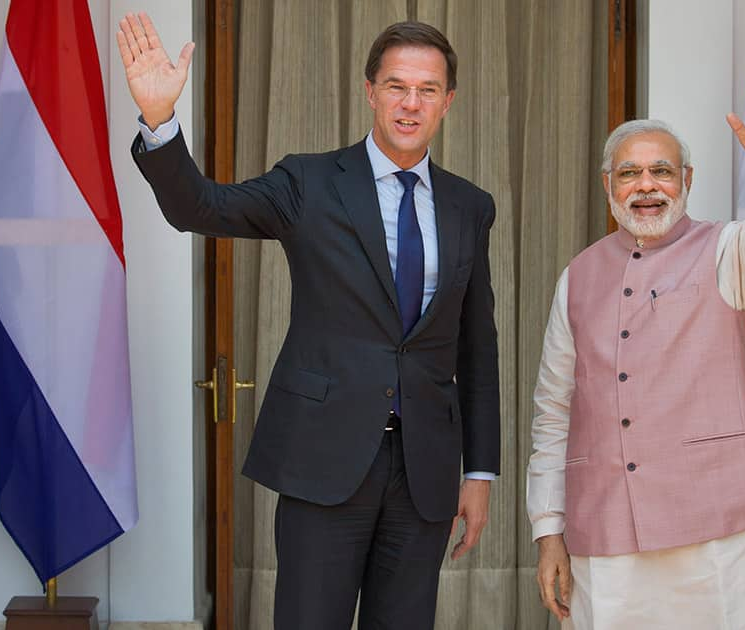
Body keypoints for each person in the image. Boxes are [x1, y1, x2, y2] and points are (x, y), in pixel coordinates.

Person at [116, 13, 500, 629]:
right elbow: (199, 206)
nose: (410, 103)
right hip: (325, 459)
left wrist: (480, 471)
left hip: (425, 469)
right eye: (397, 85)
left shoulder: (469, 206)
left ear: (448, 102)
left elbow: (478, 348)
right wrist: (160, 122)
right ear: (369, 91)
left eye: (427, 90)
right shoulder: (309, 181)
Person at [527, 81, 745, 629]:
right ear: (607, 186)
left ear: (686, 180)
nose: (646, 186)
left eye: (661, 171)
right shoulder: (578, 276)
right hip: (607, 536)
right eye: (629, 173)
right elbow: (554, 410)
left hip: (720, 532)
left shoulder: (728, 249)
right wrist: (549, 531)